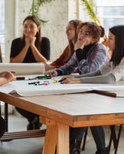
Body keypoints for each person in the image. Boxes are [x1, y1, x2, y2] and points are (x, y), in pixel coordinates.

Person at [45, 21, 110, 154]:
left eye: (87, 33)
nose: (81, 35)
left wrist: (79, 51)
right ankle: (73, 143)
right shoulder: (81, 48)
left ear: (95, 39)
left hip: (103, 91)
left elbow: (89, 72)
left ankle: (77, 144)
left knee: (88, 108)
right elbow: (70, 66)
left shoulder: (100, 50)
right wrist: (57, 72)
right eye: (81, 31)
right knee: (78, 106)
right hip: (87, 91)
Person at [60, 25, 124, 85]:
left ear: (120, 41)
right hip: (123, 94)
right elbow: (98, 73)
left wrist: (78, 81)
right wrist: (74, 78)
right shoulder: (115, 58)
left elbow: (110, 79)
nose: (107, 42)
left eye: (110, 38)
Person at [10, 15, 50, 130]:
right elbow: (13, 62)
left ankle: (35, 119)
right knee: (17, 102)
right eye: (25, 26)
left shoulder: (45, 41)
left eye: (31, 27)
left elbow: (45, 63)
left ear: (38, 28)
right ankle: (33, 119)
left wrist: (32, 46)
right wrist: (27, 45)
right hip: (20, 78)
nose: (28, 29)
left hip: (40, 79)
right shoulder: (16, 42)